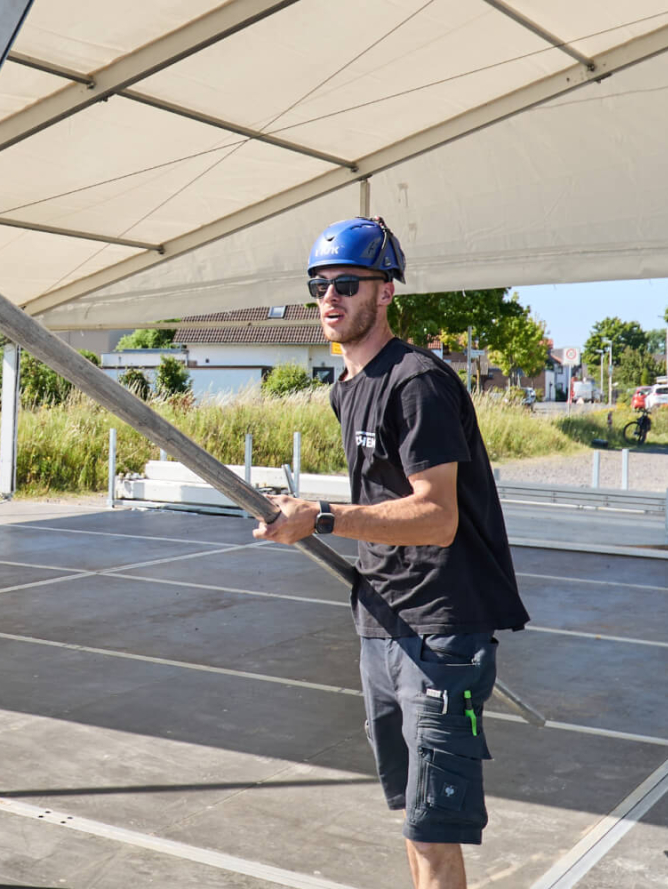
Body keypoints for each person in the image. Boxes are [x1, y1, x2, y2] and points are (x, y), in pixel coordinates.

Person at [252, 217, 531, 889]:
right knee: (412, 816)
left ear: (385, 292)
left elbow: (438, 516)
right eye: (319, 285)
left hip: (441, 631)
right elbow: (382, 497)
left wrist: (320, 517)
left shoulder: (417, 382)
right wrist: (305, 514)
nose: (329, 297)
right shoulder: (346, 388)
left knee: (434, 832)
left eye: (347, 283)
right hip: (381, 621)